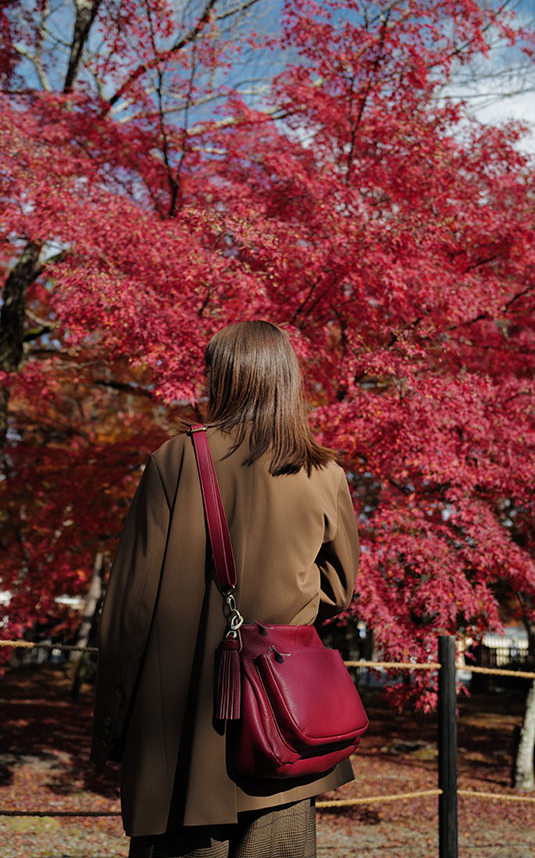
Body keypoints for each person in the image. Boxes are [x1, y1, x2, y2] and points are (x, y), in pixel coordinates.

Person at [90, 320, 360, 858]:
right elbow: (339, 588)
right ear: (286, 380)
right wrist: (287, 597)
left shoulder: (176, 459)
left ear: (224, 378)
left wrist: (114, 723)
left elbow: (130, 610)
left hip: (182, 738)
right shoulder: (324, 472)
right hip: (283, 729)